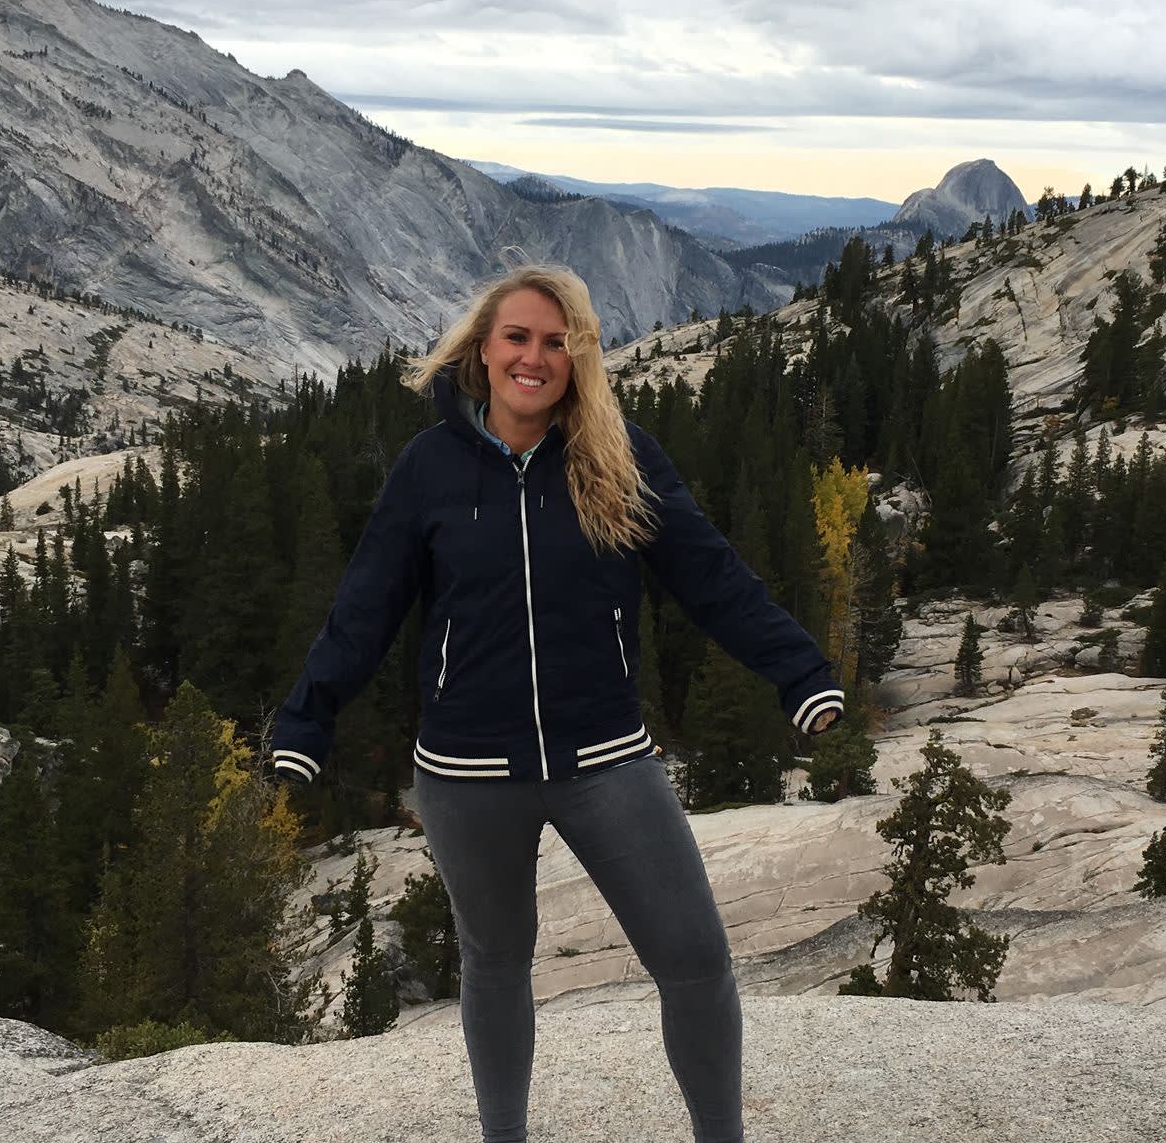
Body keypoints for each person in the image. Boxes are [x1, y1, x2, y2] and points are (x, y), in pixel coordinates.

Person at [271, 264, 843, 1143]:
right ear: (481, 349)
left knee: (694, 958)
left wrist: (800, 673)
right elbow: (365, 605)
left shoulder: (620, 454)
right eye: (517, 338)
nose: (533, 358)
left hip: (606, 758)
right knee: (496, 964)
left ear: (579, 358)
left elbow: (710, 575)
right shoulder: (429, 467)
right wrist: (306, 719)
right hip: (467, 774)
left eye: (556, 342)